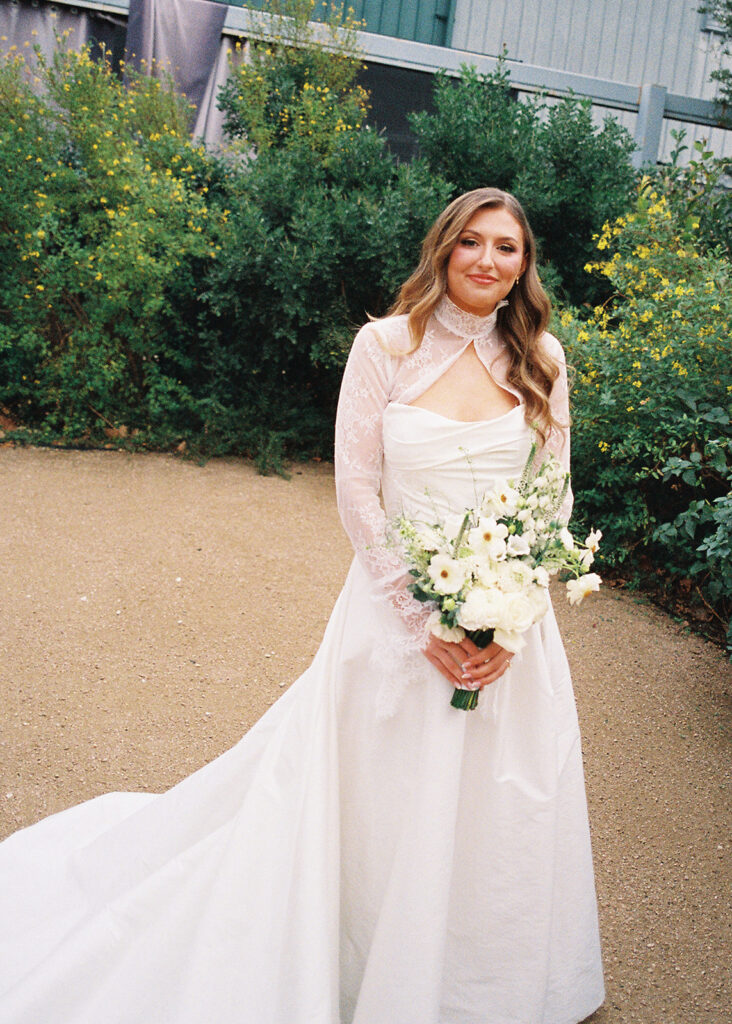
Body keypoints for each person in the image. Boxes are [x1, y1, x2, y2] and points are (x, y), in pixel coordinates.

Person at [0, 187, 604, 1023]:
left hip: (507, 628)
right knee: (378, 805)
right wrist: (420, 618)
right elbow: (357, 488)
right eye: (470, 241)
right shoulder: (387, 345)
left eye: (506, 247)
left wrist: (513, 615)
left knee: (500, 806)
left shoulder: (544, 357)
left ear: (524, 265)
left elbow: (552, 497)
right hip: (396, 617)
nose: (487, 260)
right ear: (443, 249)